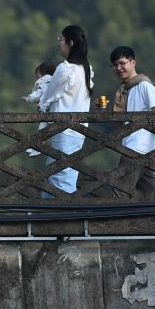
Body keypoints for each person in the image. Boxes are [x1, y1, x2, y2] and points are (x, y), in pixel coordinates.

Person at [35, 25, 93, 196]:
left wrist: (40, 99)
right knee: (67, 174)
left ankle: (61, 216)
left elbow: (47, 98)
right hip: (79, 130)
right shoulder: (86, 69)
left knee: (58, 178)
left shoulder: (65, 68)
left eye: (61, 40)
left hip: (63, 130)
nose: (59, 43)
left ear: (71, 43)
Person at [110, 45, 155, 195]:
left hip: (136, 149)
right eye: (115, 65)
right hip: (141, 150)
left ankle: (116, 219)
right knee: (152, 194)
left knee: (119, 189)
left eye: (122, 63)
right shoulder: (126, 90)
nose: (118, 67)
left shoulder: (144, 85)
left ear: (133, 63)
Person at [22, 59, 59, 156]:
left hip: (46, 109)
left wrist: (29, 98)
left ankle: (37, 147)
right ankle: (36, 146)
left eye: (37, 76)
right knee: (44, 129)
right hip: (53, 109)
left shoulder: (45, 81)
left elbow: (39, 93)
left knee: (42, 128)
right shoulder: (55, 81)